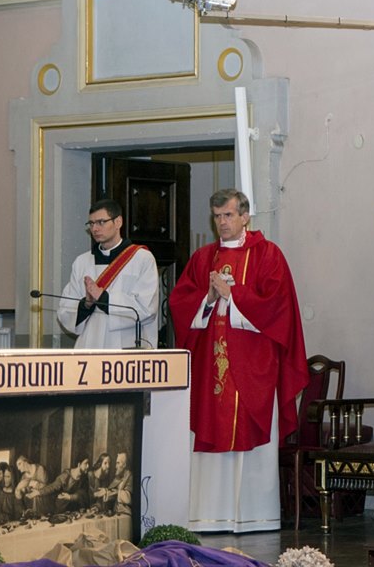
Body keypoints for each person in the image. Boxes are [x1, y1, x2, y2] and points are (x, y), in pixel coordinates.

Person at [169, 188, 309, 533]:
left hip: (252, 366)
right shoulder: (203, 258)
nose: (222, 222)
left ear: (245, 217)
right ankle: (207, 516)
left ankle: (255, 516)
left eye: (228, 215)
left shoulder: (268, 255)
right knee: (209, 427)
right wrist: (208, 297)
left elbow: (278, 306)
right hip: (211, 368)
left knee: (250, 435)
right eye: (217, 216)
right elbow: (179, 303)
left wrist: (234, 295)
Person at [57, 198, 159, 349]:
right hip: (90, 346)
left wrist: (104, 298)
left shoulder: (142, 258)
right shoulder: (82, 262)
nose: (95, 229)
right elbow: (65, 310)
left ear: (118, 222)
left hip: (127, 345)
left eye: (101, 222)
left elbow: (147, 308)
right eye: (91, 223)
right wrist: (86, 304)